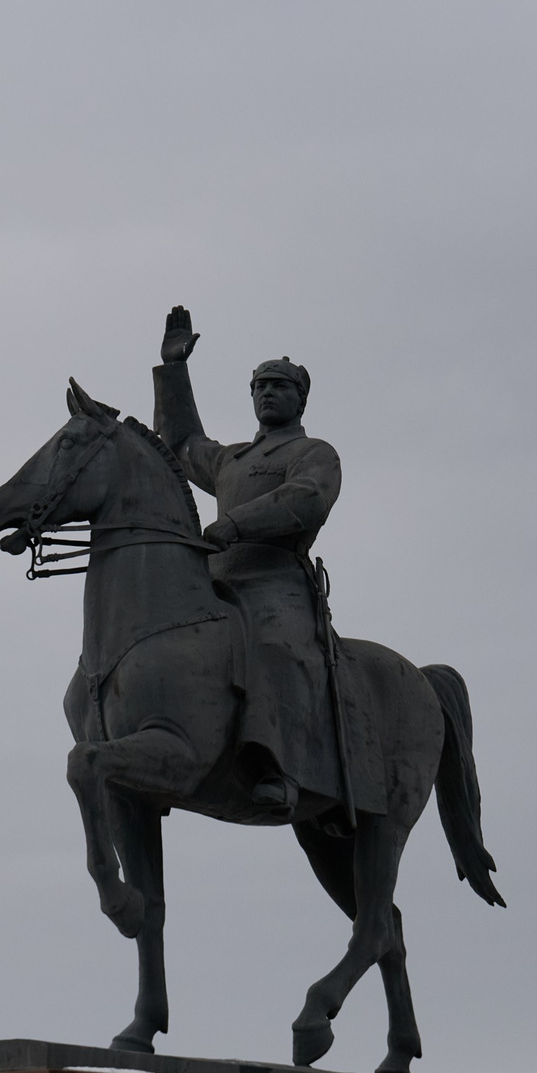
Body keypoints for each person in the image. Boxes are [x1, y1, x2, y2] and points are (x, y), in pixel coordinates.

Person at [151, 305, 342, 816]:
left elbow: (307, 498)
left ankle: (274, 765)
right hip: (215, 580)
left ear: (300, 397)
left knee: (274, 646)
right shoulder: (232, 459)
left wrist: (234, 524)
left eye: (279, 385)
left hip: (275, 582)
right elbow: (180, 444)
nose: (267, 392)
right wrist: (174, 371)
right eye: (259, 386)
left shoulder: (313, 452)